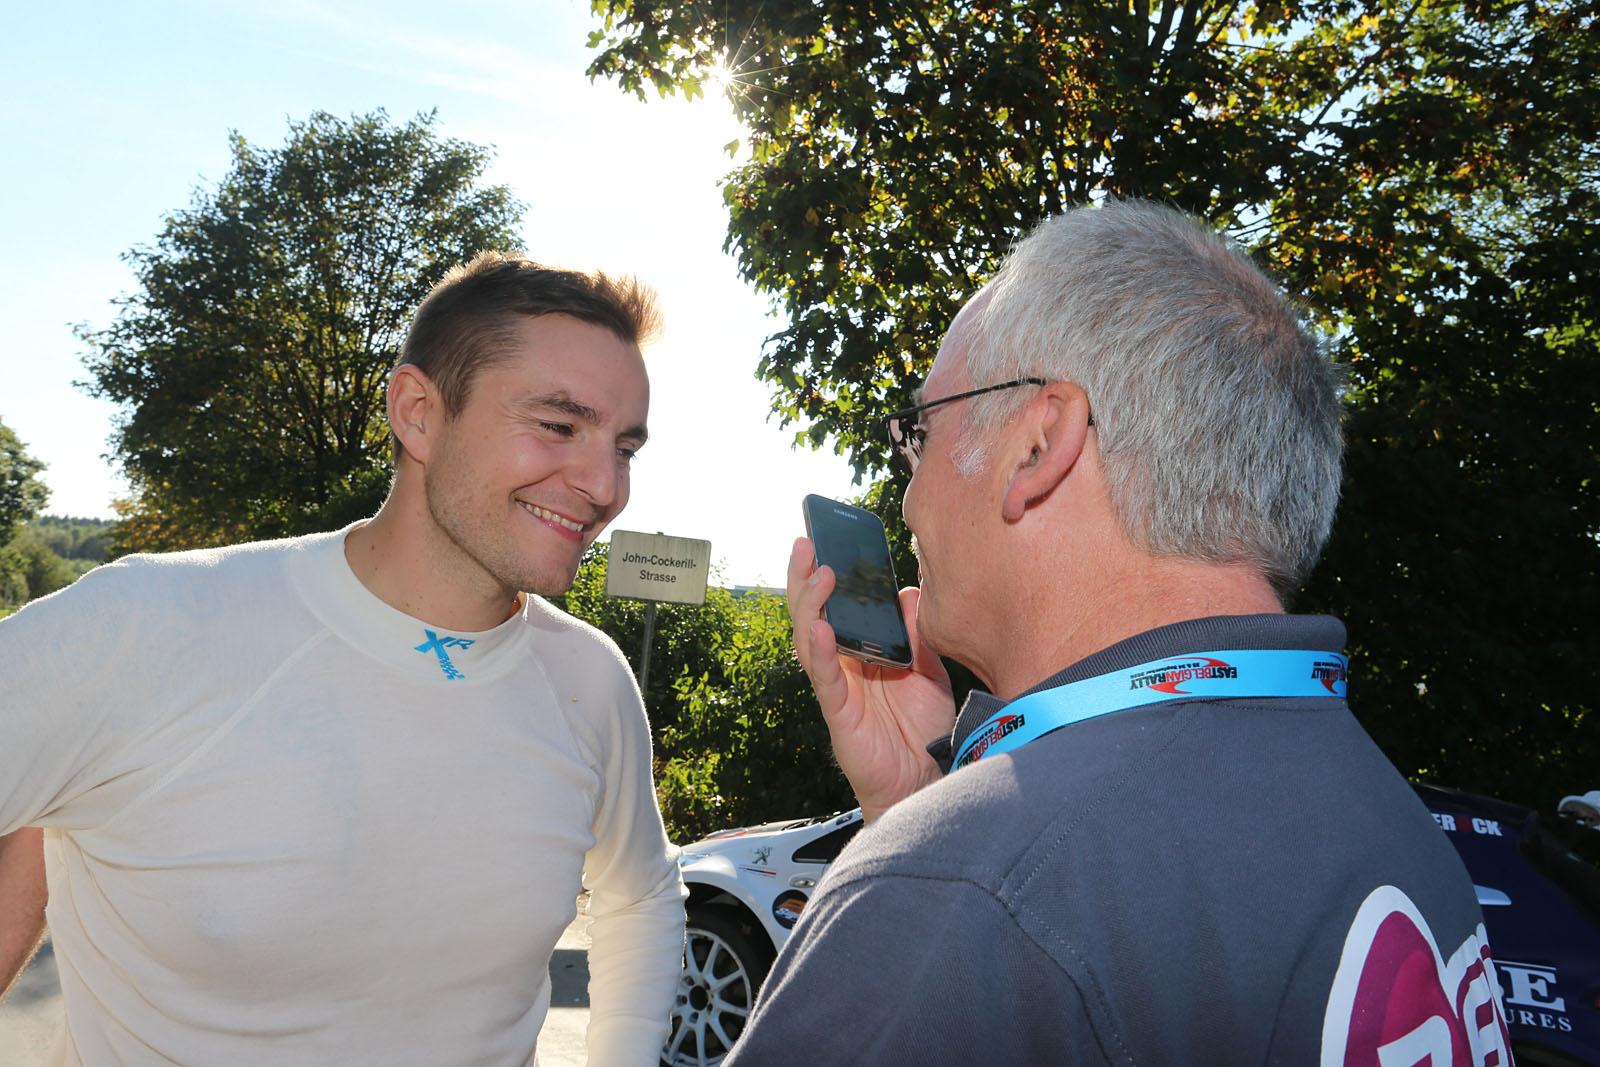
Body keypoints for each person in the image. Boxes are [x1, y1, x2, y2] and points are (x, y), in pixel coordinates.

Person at [731, 201, 1511, 1064]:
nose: (907, 496)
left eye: (921, 431)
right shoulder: (1396, 821)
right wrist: (926, 804)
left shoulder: (965, 893)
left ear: (1039, 445)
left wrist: (935, 860)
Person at [0, 252, 686, 1066]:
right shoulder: (148, 624)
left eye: (626, 446)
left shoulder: (591, 681)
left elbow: (642, 892)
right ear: (418, 412)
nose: (604, 484)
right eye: (559, 425)